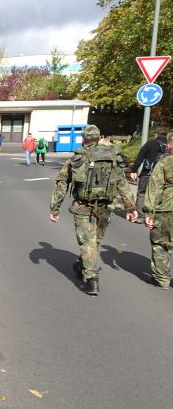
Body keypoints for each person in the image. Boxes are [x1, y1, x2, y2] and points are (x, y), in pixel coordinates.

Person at [49, 125, 137, 295]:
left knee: (87, 242)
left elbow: (61, 184)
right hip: (106, 206)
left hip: (84, 206)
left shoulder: (78, 158)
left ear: (83, 139)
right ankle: (83, 264)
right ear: (98, 138)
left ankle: (92, 280)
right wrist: (130, 207)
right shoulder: (113, 157)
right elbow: (121, 182)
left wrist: (55, 208)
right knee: (94, 240)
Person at [142, 132, 173, 289]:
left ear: (169, 146)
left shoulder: (164, 163)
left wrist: (149, 212)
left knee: (161, 244)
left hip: (167, 210)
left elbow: (154, 189)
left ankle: (162, 279)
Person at [132, 126, 168, 221]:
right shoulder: (169, 146)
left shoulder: (150, 144)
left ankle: (140, 216)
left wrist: (134, 170)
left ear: (156, 134)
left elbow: (140, 157)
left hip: (146, 174)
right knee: (159, 195)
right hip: (162, 177)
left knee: (142, 193)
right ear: (166, 135)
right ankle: (154, 217)